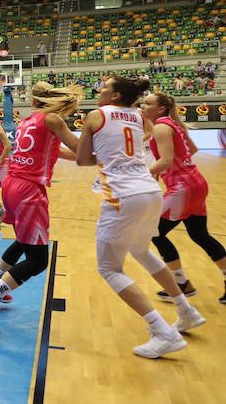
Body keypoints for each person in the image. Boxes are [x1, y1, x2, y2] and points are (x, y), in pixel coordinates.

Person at [77, 77, 204, 358]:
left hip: (122, 195)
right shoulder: (137, 115)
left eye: (104, 87)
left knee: (109, 268)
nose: (99, 90)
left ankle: (162, 332)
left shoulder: (95, 115)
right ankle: (186, 310)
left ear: (116, 94)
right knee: (141, 250)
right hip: (149, 190)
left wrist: (54, 147)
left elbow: (83, 159)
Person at [0, 82, 83, 334]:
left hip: (12, 185)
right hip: (29, 191)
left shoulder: (29, 121)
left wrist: (85, 156)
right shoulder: (53, 119)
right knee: (39, 259)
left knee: (22, 242)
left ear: (33, 102)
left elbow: (54, 150)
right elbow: (82, 150)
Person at [143, 92, 226, 305]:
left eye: (148, 103)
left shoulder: (161, 127)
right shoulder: (173, 124)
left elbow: (167, 160)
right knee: (200, 235)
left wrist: (138, 174)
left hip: (183, 188)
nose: (144, 106)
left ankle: (181, 284)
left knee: (154, 232)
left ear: (160, 108)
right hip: (195, 183)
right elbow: (192, 149)